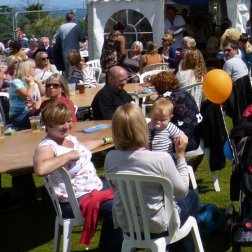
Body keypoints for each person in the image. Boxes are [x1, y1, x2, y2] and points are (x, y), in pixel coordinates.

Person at [105, 103, 200, 252]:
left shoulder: (110, 158)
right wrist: (181, 156)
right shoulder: (161, 159)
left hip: (128, 225)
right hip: (159, 225)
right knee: (192, 197)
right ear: (142, 127)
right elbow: (181, 191)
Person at [33, 103, 122, 250]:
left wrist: (106, 140)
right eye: (61, 123)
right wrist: (68, 156)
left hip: (94, 187)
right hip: (74, 201)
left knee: (130, 193)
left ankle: (128, 241)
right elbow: (41, 169)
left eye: (68, 121)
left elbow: (82, 147)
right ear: (48, 125)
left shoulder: (68, 138)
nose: (67, 126)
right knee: (118, 207)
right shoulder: (47, 146)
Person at [150, 71, 202, 151]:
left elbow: (157, 119)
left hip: (180, 142)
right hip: (196, 137)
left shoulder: (164, 99)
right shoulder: (185, 93)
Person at [222, 40, 252, 125]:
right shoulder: (240, 60)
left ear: (235, 50)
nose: (225, 52)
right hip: (246, 91)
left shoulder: (228, 63)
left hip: (237, 93)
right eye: (224, 50)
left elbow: (225, 82)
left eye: (228, 50)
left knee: (237, 116)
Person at [8, 60, 45, 129]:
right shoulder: (16, 82)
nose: (36, 69)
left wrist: (39, 83)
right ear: (27, 69)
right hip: (20, 116)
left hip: (33, 112)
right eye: (34, 67)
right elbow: (29, 97)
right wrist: (31, 84)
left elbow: (45, 94)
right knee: (47, 119)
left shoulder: (34, 81)